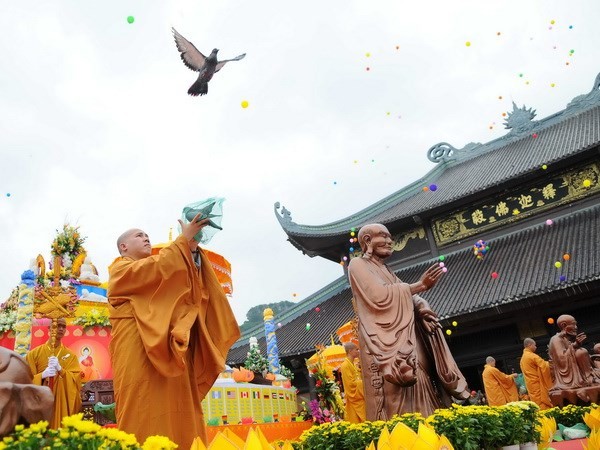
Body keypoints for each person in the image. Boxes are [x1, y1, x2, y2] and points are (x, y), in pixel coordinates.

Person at [108, 215, 240, 448]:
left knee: (179, 408)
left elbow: (185, 289)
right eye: (139, 235)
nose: (146, 238)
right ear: (123, 247)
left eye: (147, 235)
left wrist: (191, 251)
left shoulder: (158, 267)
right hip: (138, 353)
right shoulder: (120, 270)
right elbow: (156, 270)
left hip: (170, 350)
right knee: (142, 406)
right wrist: (182, 241)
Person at [348, 223, 469, 419]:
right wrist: (419, 285)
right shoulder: (358, 265)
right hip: (383, 342)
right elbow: (379, 296)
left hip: (408, 338)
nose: (389, 241)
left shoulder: (386, 270)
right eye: (383, 236)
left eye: (390, 237)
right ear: (368, 241)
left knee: (422, 381)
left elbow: (407, 296)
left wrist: (422, 309)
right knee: (397, 396)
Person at [25, 318, 83, 428]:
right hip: (42, 402)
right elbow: (25, 382)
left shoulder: (71, 355)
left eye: (63, 326)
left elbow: (76, 380)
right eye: (57, 326)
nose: (60, 329)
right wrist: (42, 376)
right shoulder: (33, 354)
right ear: (49, 329)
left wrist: (60, 369)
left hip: (61, 403)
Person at [548, 314, 600, 390]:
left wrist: (575, 345)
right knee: (581, 352)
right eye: (573, 324)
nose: (576, 327)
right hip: (568, 377)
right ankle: (589, 378)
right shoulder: (556, 339)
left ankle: (590, 376)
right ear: (564, 325)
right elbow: (561, 359)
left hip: (583, 371)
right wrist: (574, 346)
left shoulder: (566, 339)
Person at [519, 338, 552, 409]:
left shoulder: (522, 359)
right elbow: (544, 366)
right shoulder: (531, 356)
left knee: (537, 404)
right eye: (535, 345)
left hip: (531, 386)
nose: (536, 347)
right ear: (529, 345)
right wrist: (553, 363)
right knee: (543, 403)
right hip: (538, 385)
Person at [339, 342, 366, 423]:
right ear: (350, 351)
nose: (358, 351)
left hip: (360, 399)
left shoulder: (353, 364)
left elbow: (357, 377)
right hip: (354, 399)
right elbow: (350, 385)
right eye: (356, 349)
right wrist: (364, 383)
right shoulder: (345, 365)